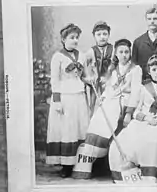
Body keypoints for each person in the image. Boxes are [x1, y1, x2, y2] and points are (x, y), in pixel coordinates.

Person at [72, 39, 142, 179]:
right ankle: (94, 160)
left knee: (111, 117)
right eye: (121, 52)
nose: (124, 55)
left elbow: (135, 92)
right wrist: (103, 98)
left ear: (130, 53)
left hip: (125, 101)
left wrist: (128, 113)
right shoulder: (113, 69)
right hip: (111, 100)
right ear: (116, 54)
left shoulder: (136, 69)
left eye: (126, 52)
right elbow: (109, 88)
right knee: (97, 120)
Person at [109, 54, 157, 183]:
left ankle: (153, 175)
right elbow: (136, 111)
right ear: (149, 71)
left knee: (155, 142)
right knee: (125, 140)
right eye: (154, 70)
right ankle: (133, 173)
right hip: (144, 121)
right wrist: (147, 118)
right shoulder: (143, 88)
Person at [46, 23, 90, 178]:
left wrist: (89, 79)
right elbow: (55, 80)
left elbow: (84, 76)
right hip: (65, 97)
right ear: (63, 39)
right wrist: (57, 101)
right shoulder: (57, 57)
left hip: (79, 95)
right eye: (72, 37)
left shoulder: (82, 55)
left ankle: (81, 163)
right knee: (68, 129)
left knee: (80, 127)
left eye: (77, 37)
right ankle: (66, 165)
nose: (75, 40)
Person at [84, 21, 114, 117]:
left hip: (110, 84)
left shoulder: (113, 50)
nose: (102, 37)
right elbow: (82, 67)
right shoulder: (90, 52)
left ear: (109, 35)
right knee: (94, 109)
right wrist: (88, 77)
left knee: (110, 108)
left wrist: (109, 78)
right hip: (96, 87)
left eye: (105, 34)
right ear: (94, 36)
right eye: (99, 34)